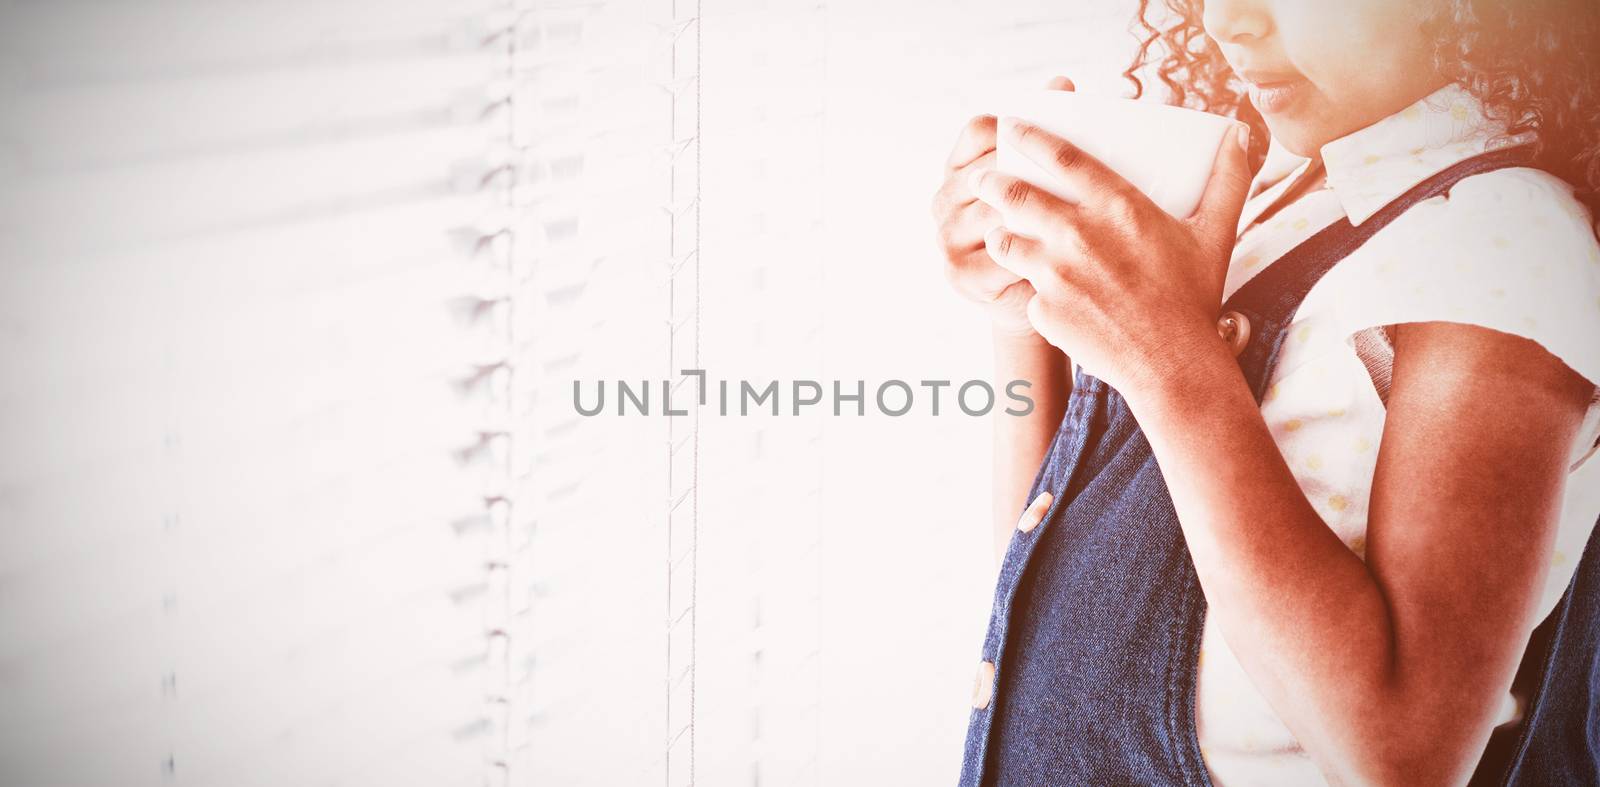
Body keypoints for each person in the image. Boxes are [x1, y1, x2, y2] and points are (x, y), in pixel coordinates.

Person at [929, 0, 1600, 784]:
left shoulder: (1499, 241)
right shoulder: (1270, 199)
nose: (1226, 22)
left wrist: (1173, 360)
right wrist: (1025, 319)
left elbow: (1404, 753)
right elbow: (1053, 572)